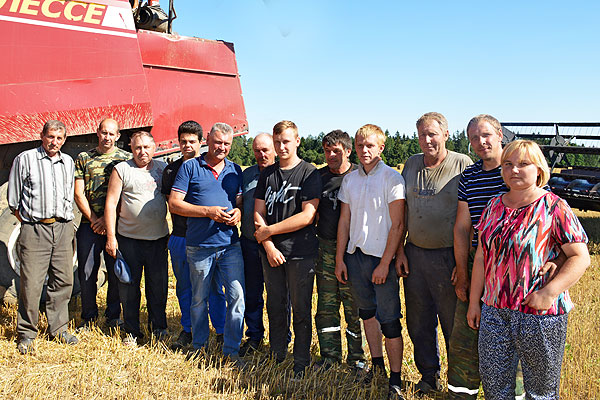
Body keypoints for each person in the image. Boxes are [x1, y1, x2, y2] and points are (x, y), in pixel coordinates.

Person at [447, 114, 561, 398]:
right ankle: (464, 393)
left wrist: (555, 265)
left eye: (486, 135)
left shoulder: (527, 176)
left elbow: (552, 231)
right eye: (474, 137)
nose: (480, 142)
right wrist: (463, 271)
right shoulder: (470, 177)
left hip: (523, 272)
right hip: (482, 263)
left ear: (500, 134)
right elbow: (463, 228)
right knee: (469, 336)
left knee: (523, 346)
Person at [467, 140, 590, 399]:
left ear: (539, 169)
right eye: (508, 164)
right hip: (494, 311)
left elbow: (580, 257)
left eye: (523, 164)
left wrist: (549, 292)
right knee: (494, 388)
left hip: (539, 313)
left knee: (540, 392)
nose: (514, 170)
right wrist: (474, 303)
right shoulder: (493, 206)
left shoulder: (555, 207)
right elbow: (481, 257)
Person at [399, 112, 472, 395]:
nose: (427, 140)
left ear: (446, 134)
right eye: (422, 135)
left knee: (453, 324)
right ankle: (428, 376)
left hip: (448, 257)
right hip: (415, 254)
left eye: (432, 134)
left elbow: (469, 217)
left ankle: (458, 384)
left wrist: (461, 262)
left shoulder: (461, 164)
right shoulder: (412, 164)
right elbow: (402, 211)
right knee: (418, 322)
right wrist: (400, 253)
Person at [335, 124, 407, 399]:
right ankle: (376, 366)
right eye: (360, 145)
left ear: (381, 147)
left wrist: (384, 264)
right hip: (356, 259)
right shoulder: (350, 180)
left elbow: (398, 225)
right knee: (367, 315)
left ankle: (396, 380)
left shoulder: (392, 179)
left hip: (381, 260)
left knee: (389, 321)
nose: (364, 150)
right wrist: (341, 258)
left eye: (370, 145)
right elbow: (344, 221)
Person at [168, 122, 245, 359]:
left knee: (236, 297)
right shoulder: (190, 167)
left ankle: (232, 351)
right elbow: (174, 203)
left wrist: (239, 213)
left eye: (226, 144)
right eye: (217, 142)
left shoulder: (235, 170)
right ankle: (199, 346)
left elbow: (239, 201)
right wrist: (207, 211)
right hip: (199, 246)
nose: (221, 147)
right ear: (208, 139)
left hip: (230, 244)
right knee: (199, 299)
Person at [254, 120, 321, 378]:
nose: (282, 147)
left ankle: (301, 361)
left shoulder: (309, 173)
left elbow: (307, 216)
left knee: (301, 309)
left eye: (287, 141)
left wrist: (269, 231)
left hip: (300, 252)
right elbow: (258, 213)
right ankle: (277, 353)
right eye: (278, 141)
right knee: (275, 305)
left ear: (297, 141)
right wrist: (268, 246)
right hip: (270, 253)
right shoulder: (267, 174)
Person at [8, 120, 78, 354]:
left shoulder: (68, 162)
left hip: (63, 228)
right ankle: (26, 333)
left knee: (63, 280)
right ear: (42, 136)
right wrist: (31, 223)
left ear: (64, 140)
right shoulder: (25, 159)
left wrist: (64, 224)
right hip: (35, 228)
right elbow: (14, 201)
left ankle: (58, 328)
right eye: (50, 137)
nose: (54, 142)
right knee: (31, 283)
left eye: (59, 138)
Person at [162, 121, 226, 351]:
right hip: (181, 236)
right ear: (177, 142)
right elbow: (171, 204)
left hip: (209, 239)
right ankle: (188, 329)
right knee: (185, 287)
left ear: (202, 142)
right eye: (183, 141)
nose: (187, 146)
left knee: (214, 288)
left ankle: (220, 330)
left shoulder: (214, 168)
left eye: (192, 141)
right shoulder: (171, 170)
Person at [104, 131, 169, 345]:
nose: (142, 151)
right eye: (137, 147)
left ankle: (159, 327)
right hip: (129, 240)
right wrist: (111, 237)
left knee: (158, 287)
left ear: (154, 148)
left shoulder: (162, 169)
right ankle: (132, 331)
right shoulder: (122, 170)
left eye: (146, 147)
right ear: (131, 148)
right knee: (129, 288)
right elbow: (111, 204)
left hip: (158, 240)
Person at [315, 130, 365, 370]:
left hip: (353, 250)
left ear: (347, 151)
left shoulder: (359, 175)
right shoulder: (318, 177)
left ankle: (357, 359)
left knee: (353, 306)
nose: (331, 155)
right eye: (327, 150)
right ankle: (329, 355)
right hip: (325, 248)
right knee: (326, 306)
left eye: (336, 150)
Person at [74, 118, 130, 330]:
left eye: (111, 134)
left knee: (115, 271)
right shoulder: (84, 158)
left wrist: (109, 223)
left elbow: (126, 194)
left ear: (118, 136)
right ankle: (88, 318)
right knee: (87, 273)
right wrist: (95, 220)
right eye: (104, 132)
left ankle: (113, 316)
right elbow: (78, 193)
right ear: (98, 133)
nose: (107, 137)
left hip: (115, 226)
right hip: (89, 225)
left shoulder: (125, 159)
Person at [239, 132, 284, 356]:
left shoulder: (284, 174)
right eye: (257, 150)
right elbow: (239, 202)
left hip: (278, 247)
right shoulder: (246, 175)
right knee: (252, 293)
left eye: (265, 150)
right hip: (249, 244)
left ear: (275, 150)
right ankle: (254, 336)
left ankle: (281, 341)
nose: (261, 154)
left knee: (278, 296)